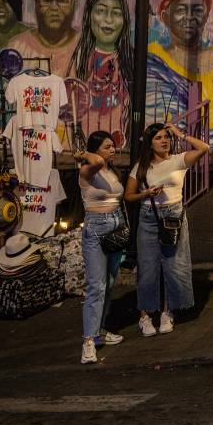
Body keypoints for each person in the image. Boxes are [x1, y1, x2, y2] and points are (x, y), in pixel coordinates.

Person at [124, 123, 211, 336]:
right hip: (148, 217)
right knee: (147, 268)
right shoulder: (141, 167)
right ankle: (145, 315)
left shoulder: (178, 160)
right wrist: (146, 194)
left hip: (174, 217)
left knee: (173, 266)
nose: (164, 141)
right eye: (158, 138)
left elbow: (204, 148)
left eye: (166, 137)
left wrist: (180, 133)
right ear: (149, 143)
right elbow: (128, 195)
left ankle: (167, 311)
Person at [145, 0, 213, 153]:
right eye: (180, 10)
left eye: (198, 10)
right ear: (165, 16)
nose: (190, 16)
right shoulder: (153, 60)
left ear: (207, 16)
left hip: (207, 150)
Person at [74, 131, 128, 364]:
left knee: (110, 283)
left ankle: (99, 331)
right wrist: (83, 154)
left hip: (115, 229)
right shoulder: (88, 171)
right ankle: (88, 341)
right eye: (107, 147)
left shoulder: (111, 172)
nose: (113, 150)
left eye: (113, 146)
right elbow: (94, 161)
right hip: (96, 230)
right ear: (96, 150)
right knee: (96, 285)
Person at [66, 0, 133, 147]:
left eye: (116, 13)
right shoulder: (78, 57)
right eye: (101, 11)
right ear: (89, 15)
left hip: (117, 148)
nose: (108, 19)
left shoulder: (130, 60)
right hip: (85, 149)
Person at [7, 0, 81, 77]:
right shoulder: (17, 47)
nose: (54, 7)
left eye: (62, 0)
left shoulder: (86, 46)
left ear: (73, 5)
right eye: (47, 0)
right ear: (36, 5)